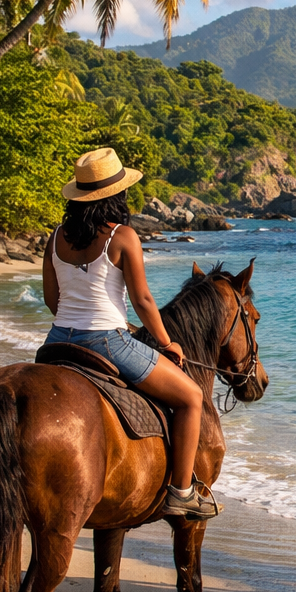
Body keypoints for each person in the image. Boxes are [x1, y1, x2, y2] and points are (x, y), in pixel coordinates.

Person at [40, 148, 218, 519]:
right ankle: (182, 492)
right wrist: (167, 342)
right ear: (116, 195)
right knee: (190, 397)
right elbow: (144, 300)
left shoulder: (56, 237)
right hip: (106, 341)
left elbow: (52, 299)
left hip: (56, 341)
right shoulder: (122, 237)